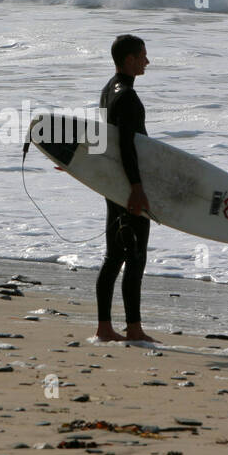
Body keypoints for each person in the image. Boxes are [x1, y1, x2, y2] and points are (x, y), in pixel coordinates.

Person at [95, 34, 157, 343]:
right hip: (128, 186)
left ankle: (104, 328)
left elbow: (104, 140)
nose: (147, 61)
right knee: (135, 256)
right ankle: (133, 329)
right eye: (143, 56)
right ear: (130, 59)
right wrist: (136, 188)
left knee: (114, 256)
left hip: (112, 185)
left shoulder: (108, 90)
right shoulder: (128, 98)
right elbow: (126, 148)